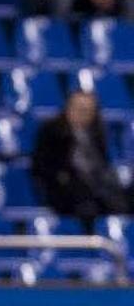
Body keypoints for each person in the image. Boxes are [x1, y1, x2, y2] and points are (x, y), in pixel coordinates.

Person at [32, 90, 130, 223]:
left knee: (123, 200)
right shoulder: (52, 131)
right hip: (67, 190)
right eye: (80, 109)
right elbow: (43, 167)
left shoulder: (96, 132)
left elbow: (102, 164)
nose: (84, 114)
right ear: (69, 108)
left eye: (89, 110)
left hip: (98, 187)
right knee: (88, 207)